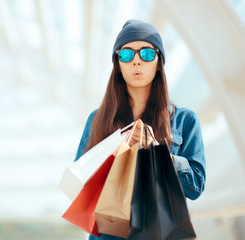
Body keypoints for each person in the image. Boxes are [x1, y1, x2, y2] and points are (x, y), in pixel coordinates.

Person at [74, 19, 206, 240]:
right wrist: (118, 149)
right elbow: (81, 185)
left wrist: (158, 153)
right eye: (126, 55)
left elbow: (196, 187)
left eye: (146, 54)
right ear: (118, 64)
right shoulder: (98, 119)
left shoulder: (184, 120)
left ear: (159, 62)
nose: (136, 61)